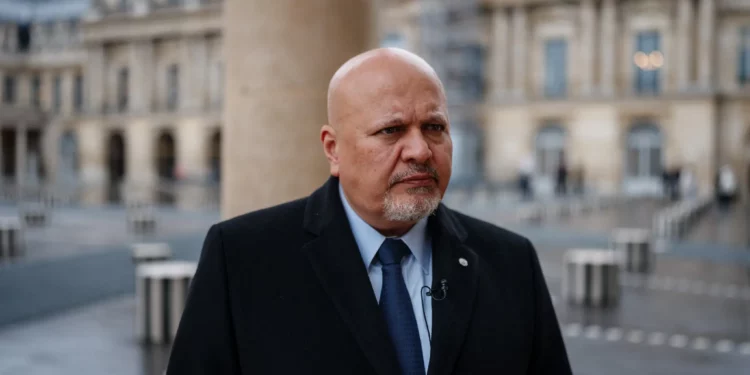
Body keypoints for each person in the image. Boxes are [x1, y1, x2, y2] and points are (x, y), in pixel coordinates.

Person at [166, 48, 571, 375]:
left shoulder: (511, 262)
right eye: (391, 130)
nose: (420, 150)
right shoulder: (240, 258)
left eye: (434, 127)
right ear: (333, 149)